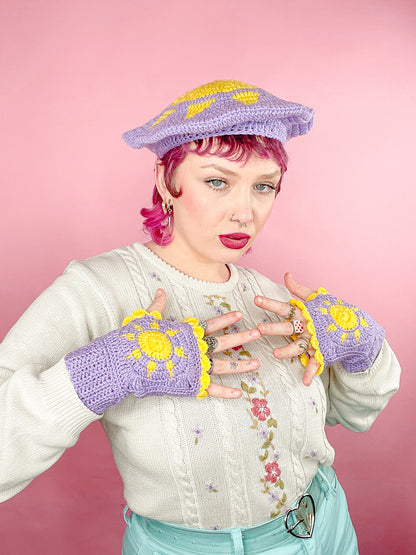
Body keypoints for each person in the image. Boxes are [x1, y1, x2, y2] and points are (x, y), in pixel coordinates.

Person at [0, 80, 400, 554]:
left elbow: (353, 414)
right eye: (217, 181)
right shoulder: (99, 290)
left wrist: (363, 343)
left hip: (327, 525)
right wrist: (106, 371)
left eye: (264, 187)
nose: (245, 212)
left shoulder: (271, 298)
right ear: (166, 181)